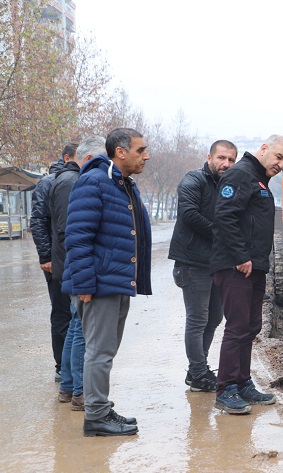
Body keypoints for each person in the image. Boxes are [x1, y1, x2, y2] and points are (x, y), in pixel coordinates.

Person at [63, 128, 151, 436]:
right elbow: (77, 238)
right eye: (141, 150)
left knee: (106, 351)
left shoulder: (123, 184)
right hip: (98, 284)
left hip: (116, 281)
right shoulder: (94, 181)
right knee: (98, 352)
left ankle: (101, 407)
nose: (146, 155)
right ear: (121, 152)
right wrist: (84, 285)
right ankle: (96, 417)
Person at [210, 135, 283, 414]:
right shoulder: (240, 174)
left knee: (251, 326)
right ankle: (226, 389)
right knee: (236, 327)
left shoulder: (259, 181)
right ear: (264, 148)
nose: (281, 164)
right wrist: (240, 256)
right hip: (236, 266)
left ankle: (243, 382)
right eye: (279, 157)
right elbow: (224, 216)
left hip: (254, 267)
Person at [168, 140, 237, 392]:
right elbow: (189, 214)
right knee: (197, 319)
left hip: (217, 263)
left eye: (230, 160)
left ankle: (197, 369)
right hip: (192, 261)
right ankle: (198, 372)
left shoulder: (229, 185)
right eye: (221, 158)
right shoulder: (193, 180)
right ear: (209, 157)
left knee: (215, 317)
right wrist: (222, 234)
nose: (225, 164)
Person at [52, 136, 106, 408]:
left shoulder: (68, 180)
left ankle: (70, 387)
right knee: (82, 330)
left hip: (71, 265)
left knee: (76, 327)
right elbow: (70, 232)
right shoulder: (74, 182)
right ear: (88, 159)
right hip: (75, 266)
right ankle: (78, 390)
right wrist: (81, 272)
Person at [31, 143, 77, 382]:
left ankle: (70, 366)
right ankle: (61, 365)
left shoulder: (75, 179)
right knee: (61, 313)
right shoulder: (49, 182)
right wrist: (46, 257)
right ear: (68, 157)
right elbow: (38, 220)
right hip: (56, 259)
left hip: (66, 257)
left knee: (73, 314)